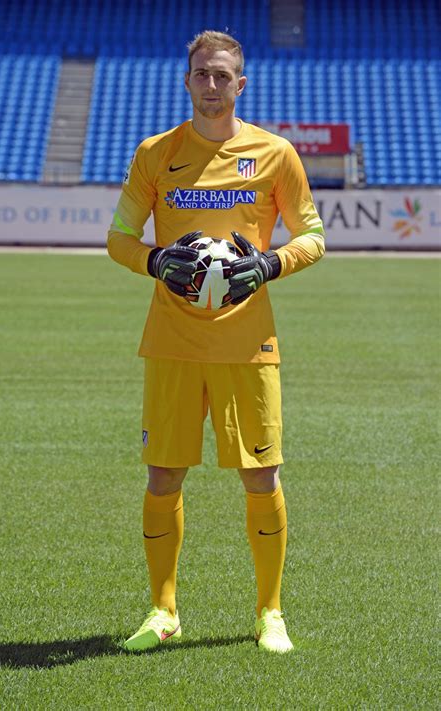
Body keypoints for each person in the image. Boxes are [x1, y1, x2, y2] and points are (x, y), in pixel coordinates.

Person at [107, 30, 325, 655]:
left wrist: (270, 265)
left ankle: (270, 613)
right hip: (172, 340)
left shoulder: (276, 153)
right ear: (187, 81)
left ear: (240, 83)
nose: (210, 85)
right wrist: (154, 262)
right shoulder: (156, 153)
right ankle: (162, 609)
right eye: (201, 74)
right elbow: (120, 236)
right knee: (162, 475)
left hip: (248, 343)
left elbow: (311, 235)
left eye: (221, 75)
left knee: (262, 476)